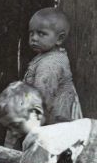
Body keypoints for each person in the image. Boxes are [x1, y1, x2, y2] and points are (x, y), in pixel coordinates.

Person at [5, 8, 82, 149]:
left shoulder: (50, 64)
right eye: (31, 33)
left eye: (41, 34)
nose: (34, 38)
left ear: (59, 38)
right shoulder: (47, 56)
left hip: (53, 121)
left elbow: (41, 98)